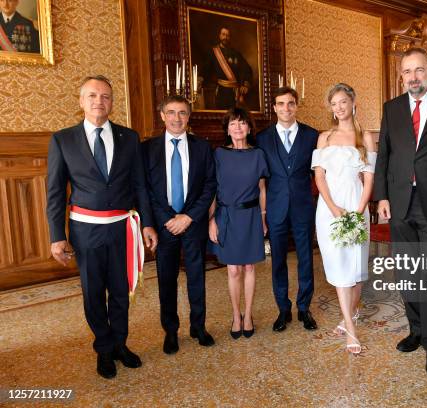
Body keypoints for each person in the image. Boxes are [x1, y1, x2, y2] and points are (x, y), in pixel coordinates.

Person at [46, 75, 158, 379]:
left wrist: (148, 224)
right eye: (93, 95)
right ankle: (104, 349)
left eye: (106, 96)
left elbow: (140, 186)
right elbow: (55, 192)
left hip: (123, 228)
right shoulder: (63, 139)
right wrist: (57, 237)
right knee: (93, 292)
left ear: (112, 102)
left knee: (122, 291)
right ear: (81, 101)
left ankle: (120, 344)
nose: (99, 101)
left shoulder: (129, 137)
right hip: (85, 231)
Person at [373, 48, 427, 376]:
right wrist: (381, 197)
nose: (413, 77)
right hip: (398, 202)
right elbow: (385, 156)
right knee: (407, 270)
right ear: (401, 75)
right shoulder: (392, 108)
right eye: (407, 71)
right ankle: (415, 330)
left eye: (419, 70)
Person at [141, 95, 217, 355]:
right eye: (171, 112)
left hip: (192, 223)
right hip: (165, 225)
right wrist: (166, 218)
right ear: (162, 115)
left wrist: (189, 217)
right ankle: (170, 331)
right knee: (167, 279)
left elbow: (209, 186)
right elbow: (146, 189)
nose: (176, 118)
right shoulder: (147, 148)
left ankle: (198, 327)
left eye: (182, 113)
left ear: (189, 116)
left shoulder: (202, 148)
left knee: (197, 277)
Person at [311, 83, 376, 354]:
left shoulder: (366, 137)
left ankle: (351, 313)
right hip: (329, 208)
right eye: (334, 103)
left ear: (352, 103)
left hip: (357, 203)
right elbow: (319, 176)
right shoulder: (324, 137)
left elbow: (370, 177)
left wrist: (360, 209)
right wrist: (334, 208)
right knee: (339, 266)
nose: (338, 108)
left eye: (343, 102)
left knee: (357, 265)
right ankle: (351, 328)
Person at [256, 86, 319, 332]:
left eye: (290, 103)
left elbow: (320, 173)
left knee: (306, 258)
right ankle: (283, 308)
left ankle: (304, 307)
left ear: (296, 105)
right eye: (281, 104)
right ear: (274, 107)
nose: (286, 108)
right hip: (276, 207)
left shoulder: (312, 135)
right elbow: (260, 178)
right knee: (278, 260)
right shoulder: (262, 138)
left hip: (303, 205)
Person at [209, 107, 268, 339]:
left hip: (252, 215)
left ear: (249, 127)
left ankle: (249, 314)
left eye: (242, 123)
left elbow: (262, 189)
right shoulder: (219, 154)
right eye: (233, 123)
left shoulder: (258, 155)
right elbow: (212, 190)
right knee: (233, 270)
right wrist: (211, 220)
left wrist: (263, 218)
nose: (238, 127)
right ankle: (236, 316)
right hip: (226, 216)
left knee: (250, 267)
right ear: (227, 129)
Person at [201, 27, 253, 109]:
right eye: (223, 34)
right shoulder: (213, 52)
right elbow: (205, 71)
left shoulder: (236, 53)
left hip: (234, 93)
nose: (225, 37)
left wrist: (245, 84)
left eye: (227, 35)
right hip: (220, 91)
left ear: (230, 37)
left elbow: (246, 69)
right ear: (219, 36)